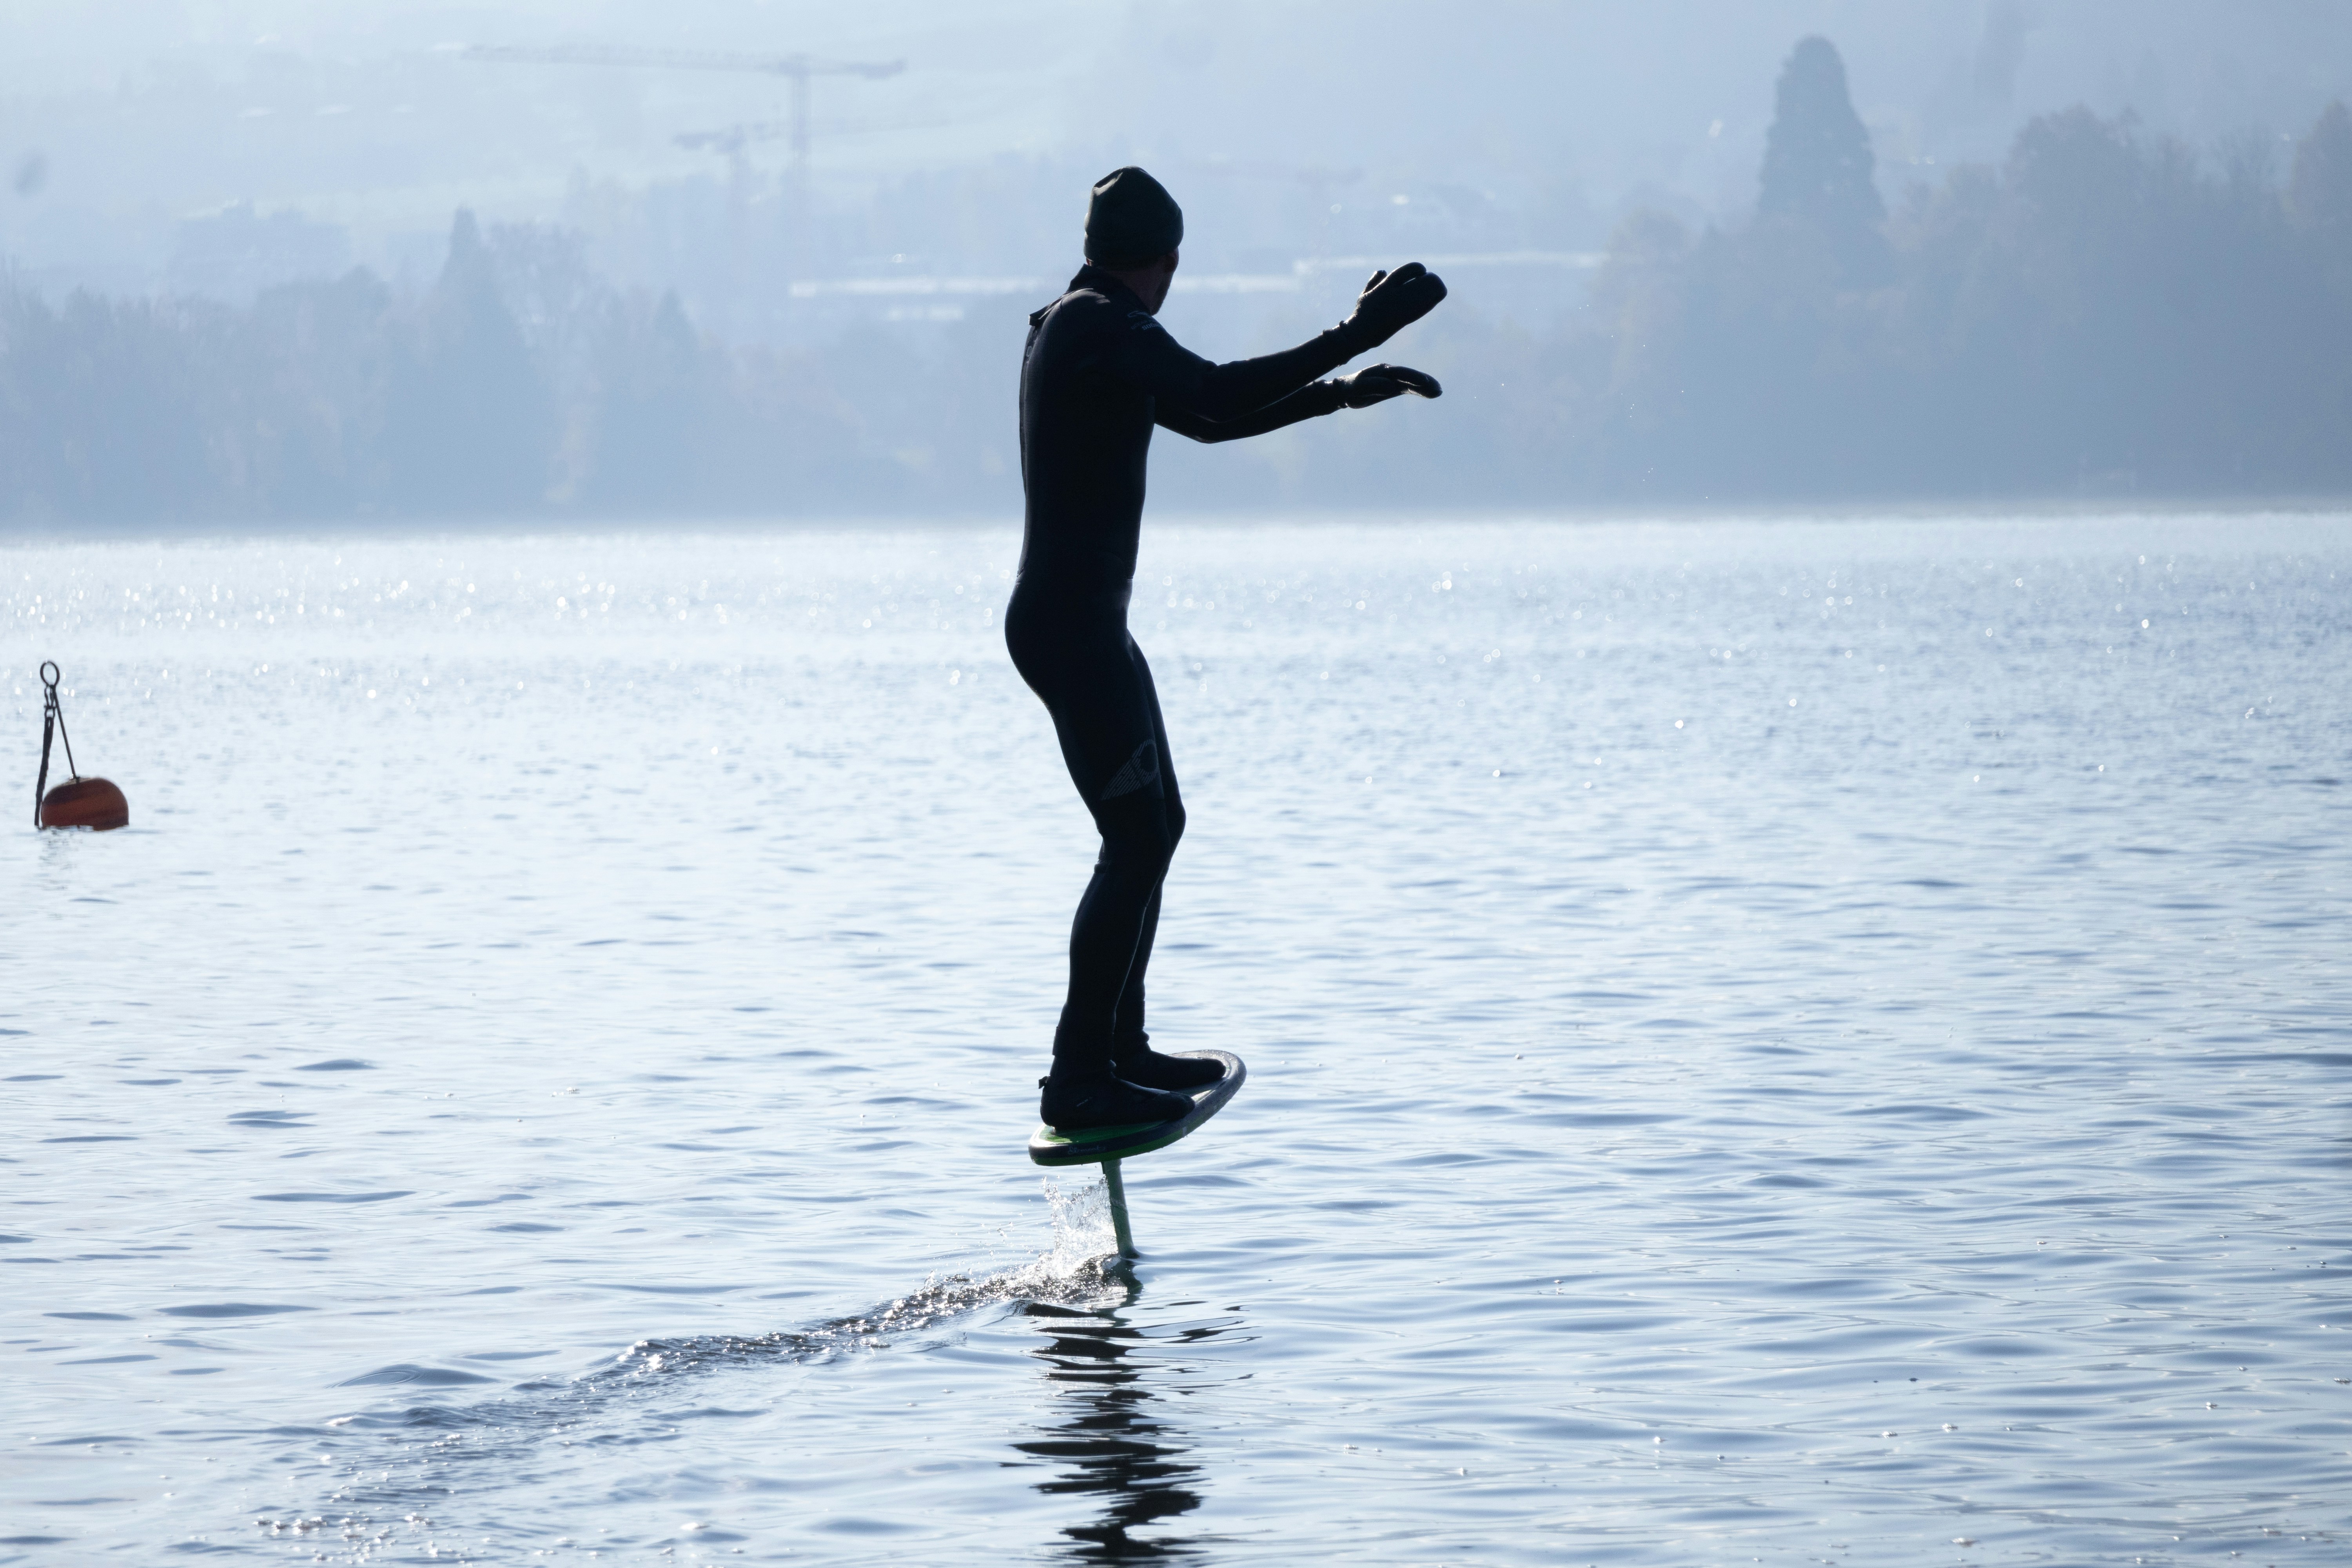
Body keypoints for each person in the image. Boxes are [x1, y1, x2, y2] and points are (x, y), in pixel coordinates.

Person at [1010, 165, 1448, 1131]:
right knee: (1134, 838)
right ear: (1165, 262)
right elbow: (1211, 388)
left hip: (1083, 626)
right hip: (1072, 632)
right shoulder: (1097, 326)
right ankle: (1077, 1077)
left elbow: (1206, 416)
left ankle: (1120, 1050)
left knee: (1154, 826)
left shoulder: (1084, 326)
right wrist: (1356, 333)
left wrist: (1338, 394)